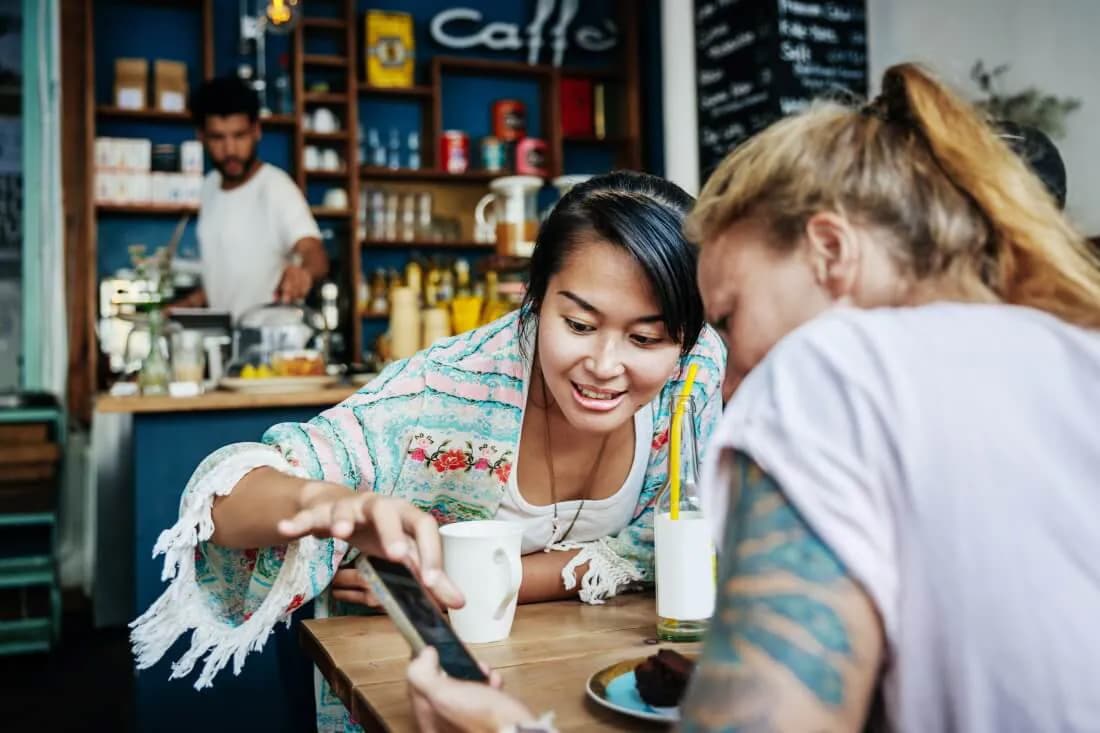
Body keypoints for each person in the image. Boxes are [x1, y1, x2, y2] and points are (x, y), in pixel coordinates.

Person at [405, 63, 1100, 732]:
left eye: (730, 320)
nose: (729, 380)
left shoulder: (829, 375)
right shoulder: (1071, 352)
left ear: (830, 251)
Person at [131, 171, 726, 732]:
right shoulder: (443, 390)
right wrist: (333, 504)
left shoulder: (693, 375)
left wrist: (485, 574)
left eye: (644, 337)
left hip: (596, 682)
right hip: (425, 693)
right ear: (535, 299)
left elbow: (661, 543)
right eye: (578, 325)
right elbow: (225, 501)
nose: (604, 365)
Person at [172, 76, 328, 320]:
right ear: (201, 136)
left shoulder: (276, 187)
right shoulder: (209, 188)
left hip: (276, 348)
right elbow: (228, 279)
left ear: (257, 131)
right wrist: (185, 306)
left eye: (239, 136)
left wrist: (302, 273)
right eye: (218, 138)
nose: (230, 150)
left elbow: (313, 251)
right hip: (228, 345)